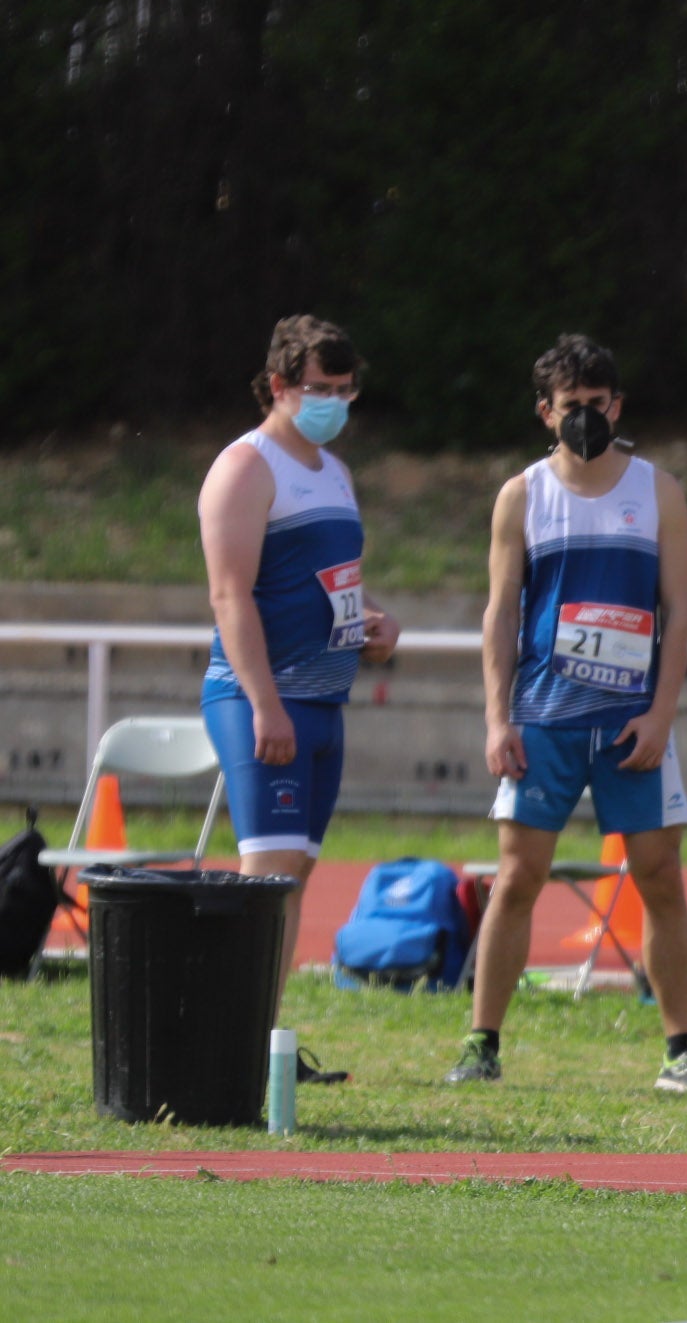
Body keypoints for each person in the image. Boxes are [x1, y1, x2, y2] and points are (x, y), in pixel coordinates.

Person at [448, 334, 687, 1095]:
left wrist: (663, 712)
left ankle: (683, 1047)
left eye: (598, 403)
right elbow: (500, 611)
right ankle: (481, 1043)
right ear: (546, 412)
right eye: (571, 406)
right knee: (518, 875)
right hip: (543, 717)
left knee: (659, 875)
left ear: (618, 405)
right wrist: (496, 718)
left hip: (632, 722)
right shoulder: (523, 494)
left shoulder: (657, 491)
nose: (586, 417)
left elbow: (678, 612)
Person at [199, 314, 399, 1086]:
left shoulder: (333, 470)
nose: (336, 403)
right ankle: (226, 1047)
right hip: (265, 701)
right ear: (279, 385)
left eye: (347, 390)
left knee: (294, 879)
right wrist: (263, 702)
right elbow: (230, 594)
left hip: (323, 702)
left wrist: (375, 619)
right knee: (268, 877)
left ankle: (262, 1042)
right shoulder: (246, 467)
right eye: (321, 389)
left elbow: (334, 581)